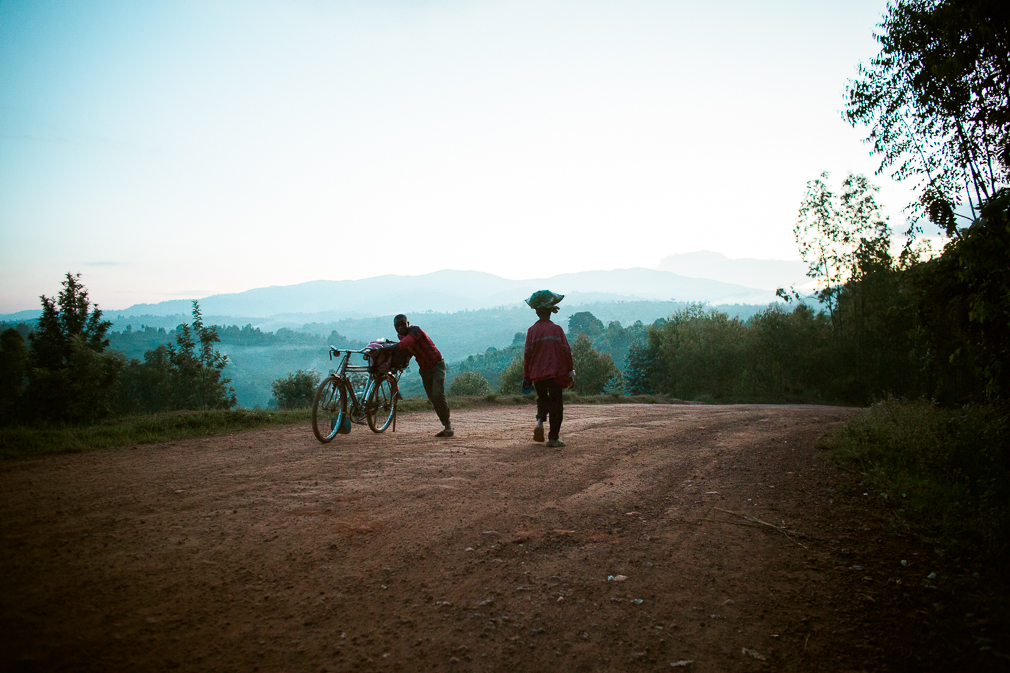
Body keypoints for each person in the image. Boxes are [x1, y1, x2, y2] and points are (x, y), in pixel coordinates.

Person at [382, 314, 453, 437]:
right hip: (425, 369)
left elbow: (404, 344)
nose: (399, 328)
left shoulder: (415, 331)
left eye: (402, 324)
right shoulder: (401, 336)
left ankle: (448, 427)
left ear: (408, 324)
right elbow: (408, 351)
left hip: (437, 365)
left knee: (437, 395)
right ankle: (446, 425)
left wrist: (384, 349)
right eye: (397, 326)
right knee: (433, 398)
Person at [522, 291, 575, 448]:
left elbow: (527, 355)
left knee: (542, 398)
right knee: (556, 402)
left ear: (537, 312)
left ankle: (539, 422)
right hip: (555, 373)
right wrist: (570, 373)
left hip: (537, 374)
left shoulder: (532, 331)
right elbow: (566, 352)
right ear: (551, 312)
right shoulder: (557, 330)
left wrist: (527, 376)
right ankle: (553, 438)